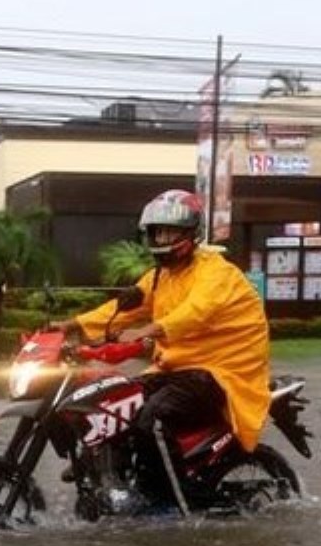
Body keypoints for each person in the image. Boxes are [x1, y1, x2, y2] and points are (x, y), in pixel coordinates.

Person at [60, 189, 271, 505]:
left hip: (219, 373)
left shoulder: (217, 272)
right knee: (115, 403)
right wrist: (72, 327)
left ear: (189, 233)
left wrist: (152, 329)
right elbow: (121, 309)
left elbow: (197, 311)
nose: (162, 238)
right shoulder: (160, 276)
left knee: (151, 421)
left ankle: (168, 501)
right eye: (158, 231)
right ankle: (114, 478)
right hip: (174, 369)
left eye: (170, 231)